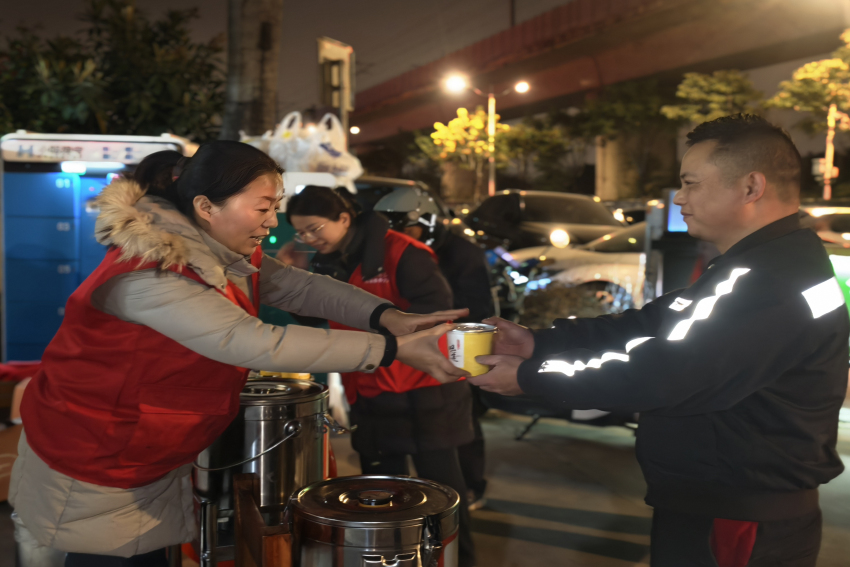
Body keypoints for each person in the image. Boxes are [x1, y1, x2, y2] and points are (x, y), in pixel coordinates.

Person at [9, 142, 467, 567]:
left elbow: (299, 287)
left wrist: (388, 317)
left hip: (141, 446)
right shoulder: (151, 275)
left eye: (275, 208)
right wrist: (393, 349)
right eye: (263, 208)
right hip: (95, 451)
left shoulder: (213, 250)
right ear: (206, 207)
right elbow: (254, 341)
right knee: (110, 560)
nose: (272, 222)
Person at [469, 115, 848, 566]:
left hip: (736, 519)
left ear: (751, 187)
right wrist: (538, 344)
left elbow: (663, 374)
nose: (679, 199)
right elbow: (654, 323)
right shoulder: (769, 264)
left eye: (690, 183)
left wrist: (531, 376)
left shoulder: (771, 281)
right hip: (726, 504)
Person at [284, 186, 477, 567]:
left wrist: (378, 335)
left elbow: (436, 310)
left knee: (443, 498)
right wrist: (297, 273)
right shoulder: (327, 261)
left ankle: (461, 561)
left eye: (314, 228)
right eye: (301, 232)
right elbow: (315, 314)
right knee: (381, 500)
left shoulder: (403, 252)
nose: (309, 238)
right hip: (368, 390)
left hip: (424, 391)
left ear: (344, 218)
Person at [374, 186, 494, 510]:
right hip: (413, 352)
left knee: (461, 426)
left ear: (427, 222)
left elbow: (476, 308)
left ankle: (473, 486)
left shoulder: (461, 254)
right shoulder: (391, 251)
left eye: (405, 227)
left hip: (457, 346)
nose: (397, 236)